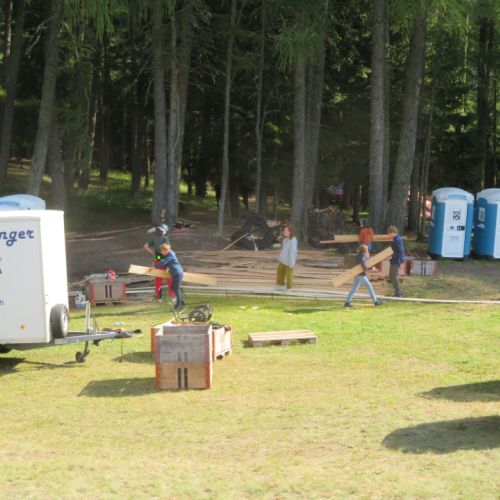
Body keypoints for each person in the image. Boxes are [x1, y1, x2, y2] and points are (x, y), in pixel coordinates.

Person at [143, 224, 175, 300]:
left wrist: (154, 254)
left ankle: (159, 297)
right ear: (164, 231)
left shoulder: (154, 238)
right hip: (165, 257)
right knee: (169, 277)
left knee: (158, 278)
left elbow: (145, 246)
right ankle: (173, 296)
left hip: (158, 257)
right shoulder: (165, 238)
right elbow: (168, 250)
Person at [156, 243, 185, 311]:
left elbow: (163, 263)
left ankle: (179, 305)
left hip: (177, 273)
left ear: (165, 250)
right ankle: (182, 303)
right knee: (173, 288)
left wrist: (157, 264)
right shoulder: (168, 254)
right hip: (175, 273)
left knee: (176, 289)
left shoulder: (170, 255)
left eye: (162, 251)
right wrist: (158, 259)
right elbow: (162, 261)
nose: (161, 252)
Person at [276, 224, 298, 291]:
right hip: (282, 260)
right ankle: (280, 285)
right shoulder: (285, 240)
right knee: (280, 272)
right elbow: (283, 250)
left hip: (288, 261)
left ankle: (289, 287)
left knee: (289, 274)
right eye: (284, 230)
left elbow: (292, 252)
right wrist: (280, 258)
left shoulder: (293, 240)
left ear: (290, 231)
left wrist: (291, 262)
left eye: (286, 230)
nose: (284, 231)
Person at [388, 225, 406, 297]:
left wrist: (391, 255)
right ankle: (399, 291)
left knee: (394, 276)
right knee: (391, 276)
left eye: (389, 233)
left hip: (396, 260)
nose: (389, 235)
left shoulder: (398, 240)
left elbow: (400, 252)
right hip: (394, 260)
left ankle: (398, 293)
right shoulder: (396, 239)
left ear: (393, 232)